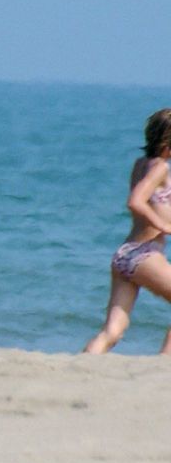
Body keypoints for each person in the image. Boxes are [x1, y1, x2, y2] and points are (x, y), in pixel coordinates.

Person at [85, 108, 171, 354]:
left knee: (112, 331)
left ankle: (78, 368)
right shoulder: (160, 168)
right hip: (145, 254)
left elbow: (156, 202)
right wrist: (164, 226)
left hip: (125, 254)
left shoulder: (140, 164)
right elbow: (136, 200)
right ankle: (165, 367)